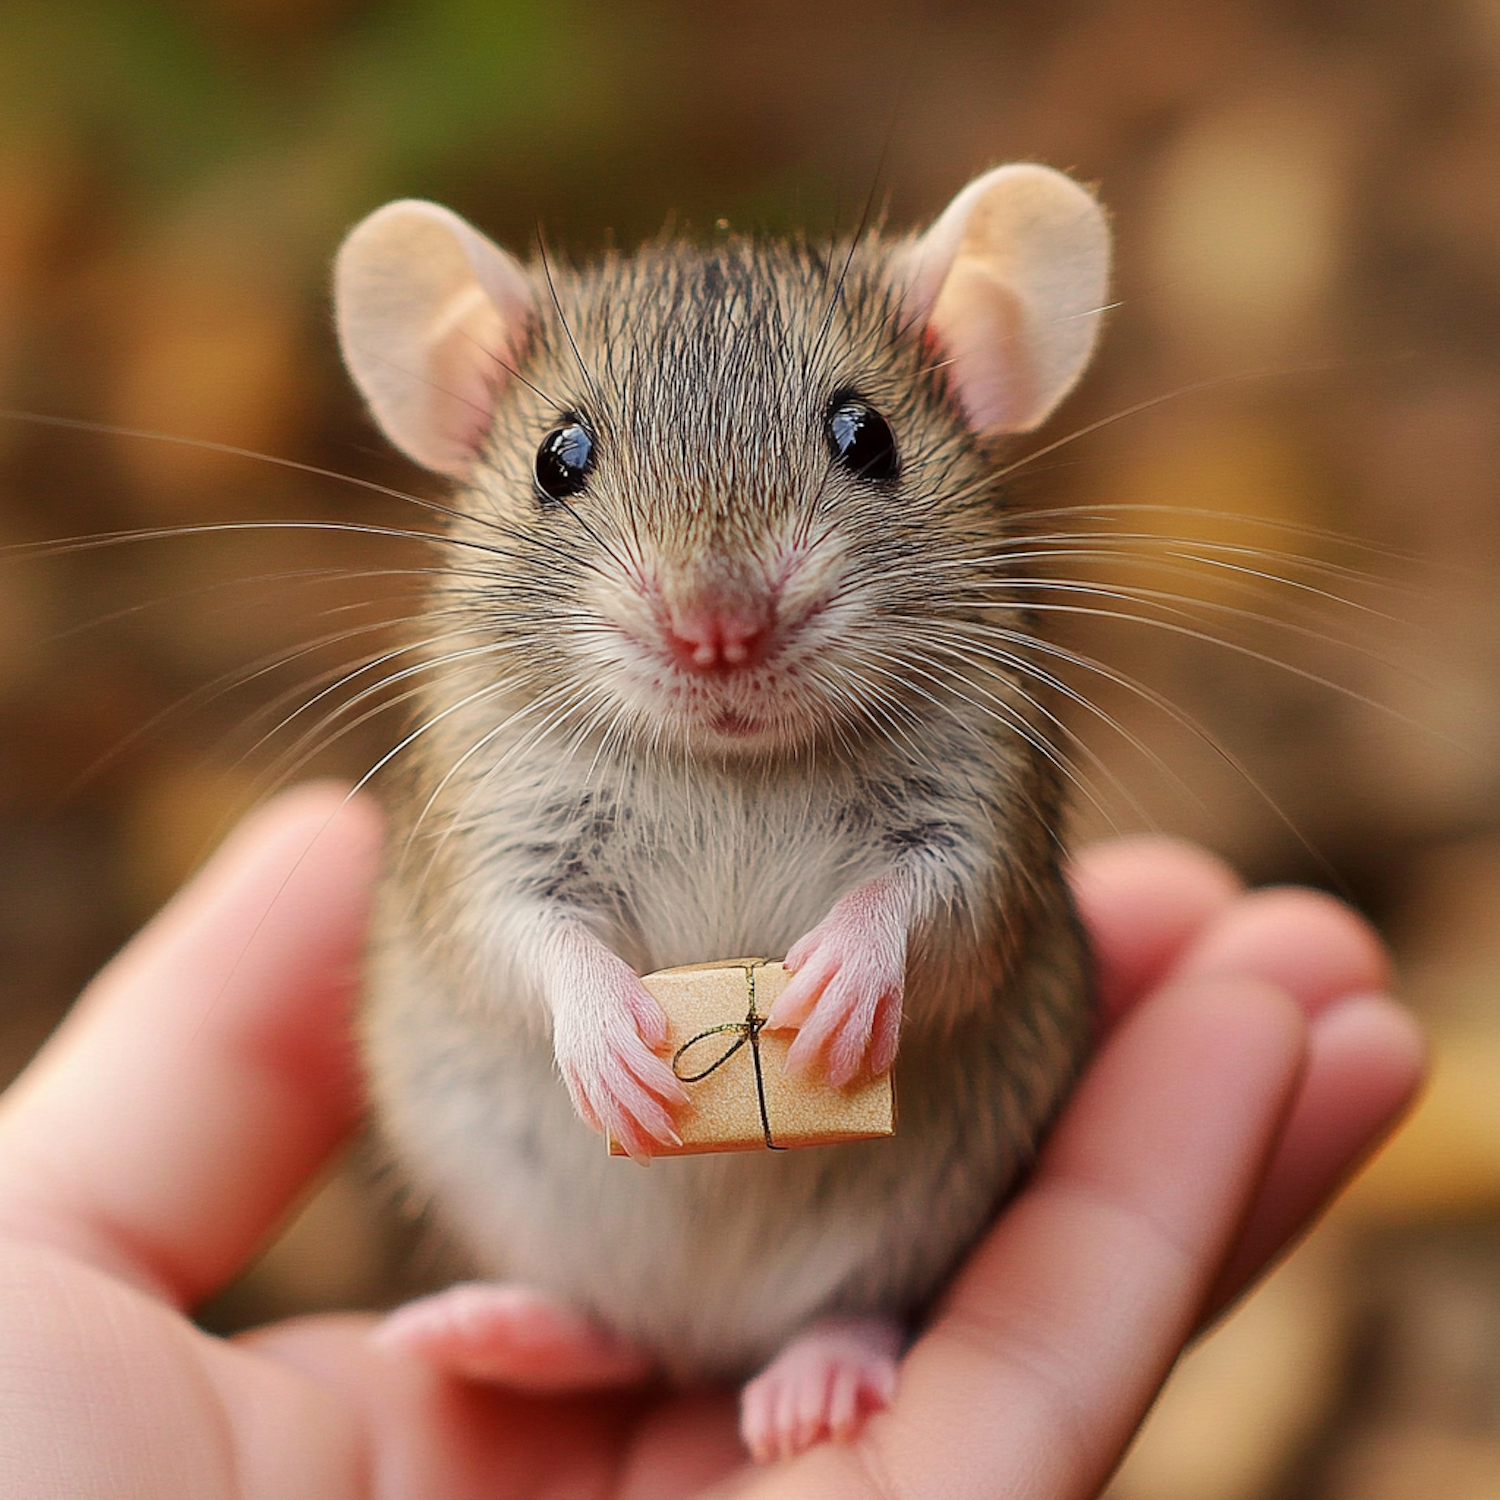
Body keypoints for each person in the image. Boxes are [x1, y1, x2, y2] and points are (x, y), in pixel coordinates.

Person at [0, 783, 1422, 1499]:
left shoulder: (966, 670)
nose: (717, 613)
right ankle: (605, 1318)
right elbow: (484, 907)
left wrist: (885, 931)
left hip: (873, 1203)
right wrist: (567, 975)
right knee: (421, 1025)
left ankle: (869, 1317)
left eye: (854, 444)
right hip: (562, 1196)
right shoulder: (490, 691)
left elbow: (975, 906)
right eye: (574, 462)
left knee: (1037, 1043)